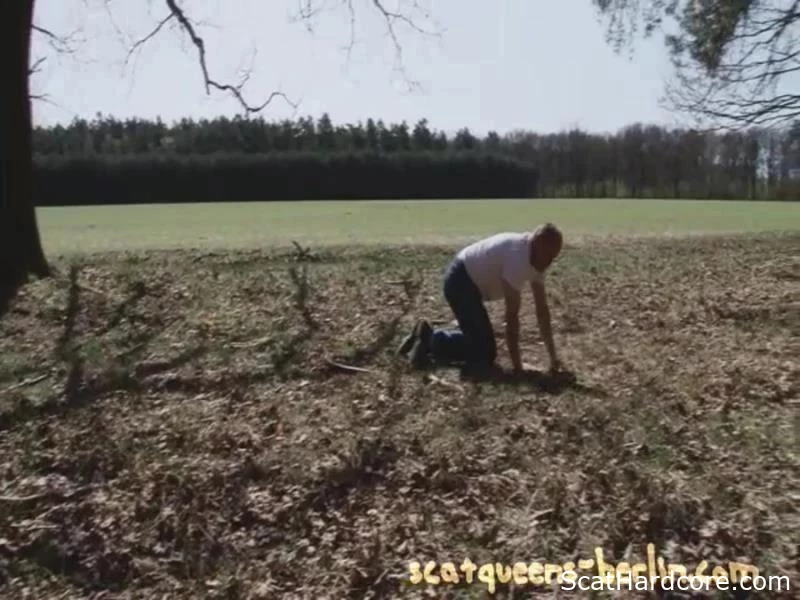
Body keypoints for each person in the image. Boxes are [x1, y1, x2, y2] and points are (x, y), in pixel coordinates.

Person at [398, 223, 564, 377]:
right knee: (484, 353)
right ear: (537, 244)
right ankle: (431, 338)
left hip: (469, 282)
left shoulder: (537, 260)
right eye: (548, 255)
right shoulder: (518, 258)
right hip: (461, 281)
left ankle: (430, 335)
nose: (549, 263)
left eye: (553, 258)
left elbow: (542, 311)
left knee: (481, 345)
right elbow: (512, 318)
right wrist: (518, 368)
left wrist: (553, 358)